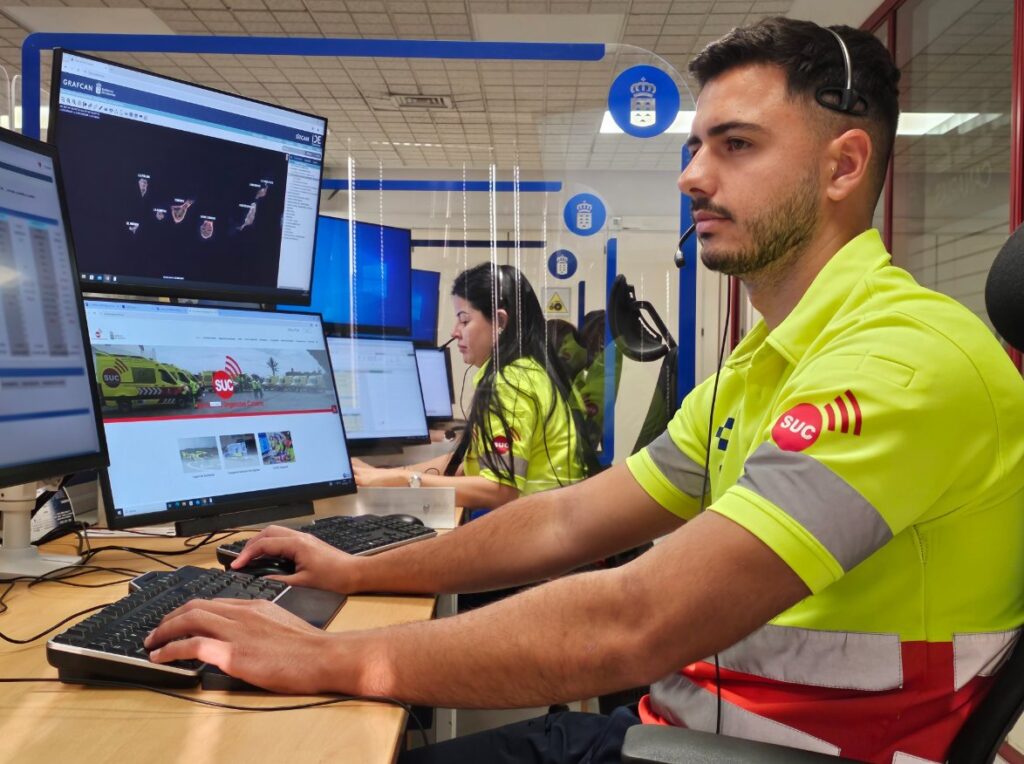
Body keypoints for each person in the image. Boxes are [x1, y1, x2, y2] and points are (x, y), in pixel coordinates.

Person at [144, 17, 1024, 764]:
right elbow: (567, 518)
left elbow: (634, 623)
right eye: (693, 147)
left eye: (736, 145)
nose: (691, 177)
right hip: (684, 732)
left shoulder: (903, 364)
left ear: (842, 167)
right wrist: (357, 567)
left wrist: (329, 660)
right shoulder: (761, 368)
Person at [352, 262, 596, 510]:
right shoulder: (530, 369)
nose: (454, 332)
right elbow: (466, 465)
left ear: (500, 322)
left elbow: (500, 490)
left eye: (464, 320)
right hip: (549, 518)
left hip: (535, 528)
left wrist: (402, 479)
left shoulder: (510, 383)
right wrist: (381, 476)